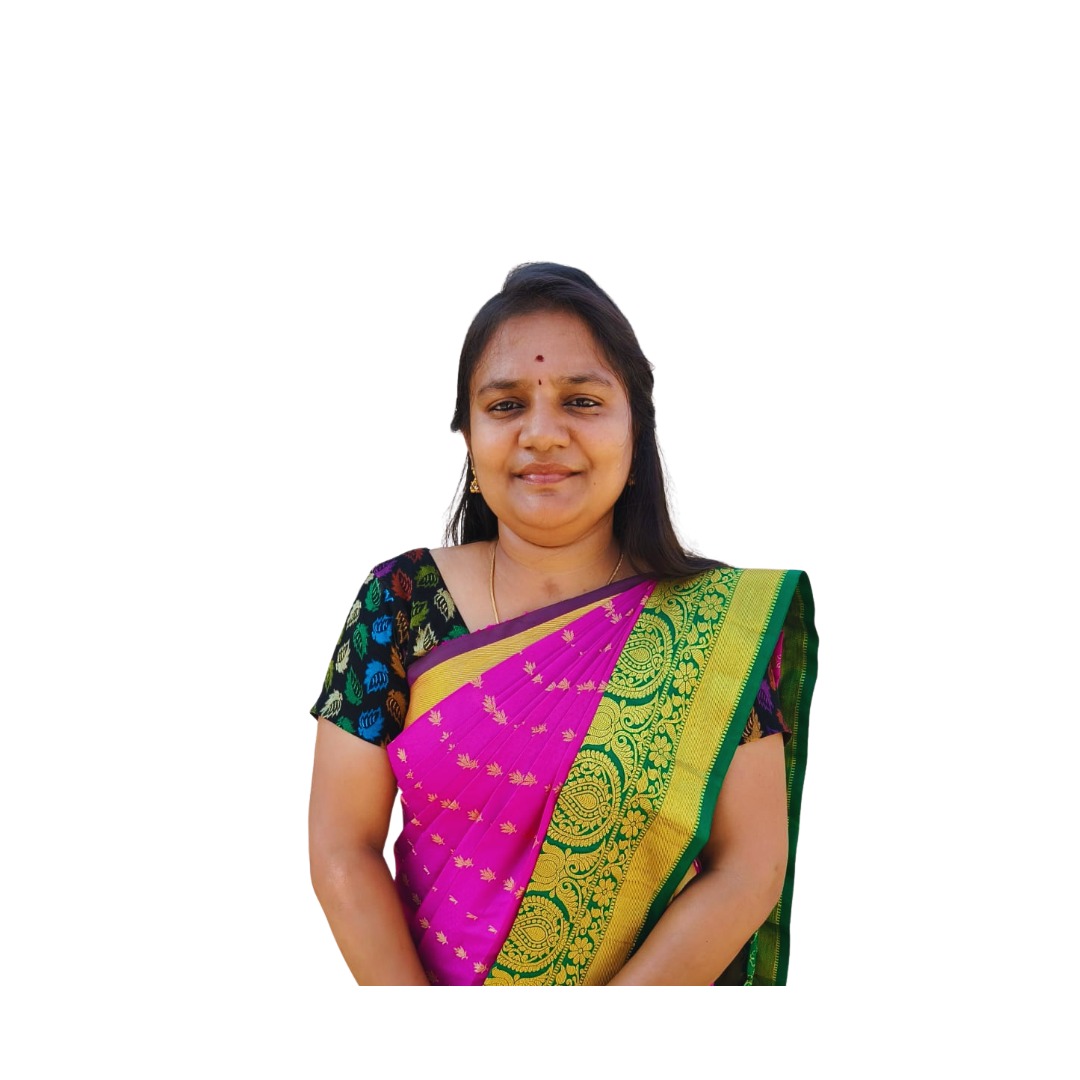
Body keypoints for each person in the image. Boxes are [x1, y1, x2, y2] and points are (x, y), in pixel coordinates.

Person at [307, 263, 818, 986]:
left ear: (636, 433)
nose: (542, 434)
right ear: (468, 439)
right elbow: (341, 846)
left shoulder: (715, 627)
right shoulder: (401, 601)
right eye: (506, 405)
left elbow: (749, 866)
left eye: (582, 401)